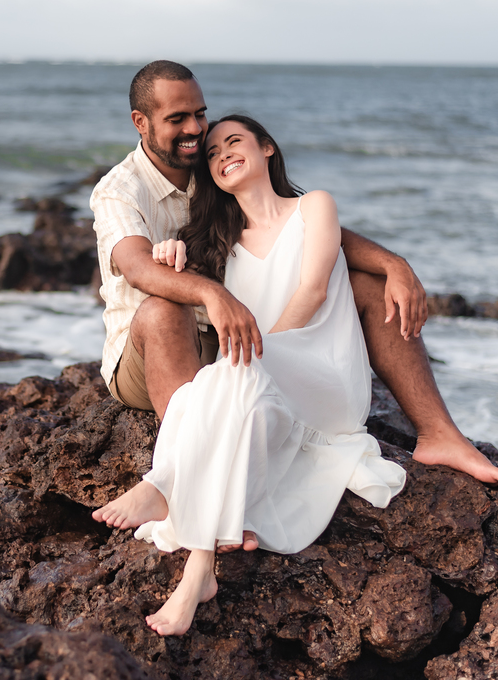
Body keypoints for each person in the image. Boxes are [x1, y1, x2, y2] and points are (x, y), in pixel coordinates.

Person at [87, 62, 498, 627]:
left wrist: (394, 263)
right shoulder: (122, 190)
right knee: (173, 312)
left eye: (202, 115)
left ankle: (439, 433)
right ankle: (190, 496)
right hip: (150, 349)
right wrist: (201, 286)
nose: (198, 132)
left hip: (248, 359)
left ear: (266, 149)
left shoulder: (221, 186)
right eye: (179, 120)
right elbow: (141, 268)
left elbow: (315, 235)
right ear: (141, 123)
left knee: (360, 286)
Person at [132, 114, 409, 634]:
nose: (221, 156)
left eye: (233, 143)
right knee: (222, 390)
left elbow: (313, 291)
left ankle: (164, 485)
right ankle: (199, 569)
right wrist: (170, 251)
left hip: (326, 381)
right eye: (211, 154)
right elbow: (180, 275)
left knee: (225, 374)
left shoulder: (314, 207)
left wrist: (261, 356)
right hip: (263, 387)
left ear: (267, 150)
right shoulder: (222, 241)